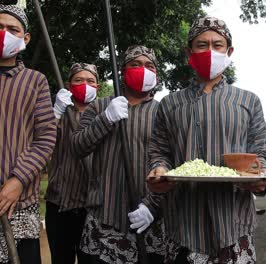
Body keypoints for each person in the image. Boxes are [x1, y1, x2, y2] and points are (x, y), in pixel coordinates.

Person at [147, 16, 266, 263]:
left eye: (217, 45)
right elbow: (159, 151)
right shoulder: (171, 104)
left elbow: (259, 153)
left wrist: (259, 177)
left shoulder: (248, 101)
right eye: (202, 45)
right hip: (184, 224)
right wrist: (159, 170)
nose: (210, 51)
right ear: (189, 52)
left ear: (229, 51)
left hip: (233, 223)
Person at [70, 45, 165, 264]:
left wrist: (152, 205)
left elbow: (174, 164)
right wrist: (106, 119)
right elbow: (77, 147)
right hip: (104, 219)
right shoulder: (99, 106)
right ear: (122, 70)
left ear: (156, 74)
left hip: (148, 219)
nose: (143, 69)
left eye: (149, 66)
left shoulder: (164, 112)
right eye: (135, 64)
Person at [0, 3, 56, 263]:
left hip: (19, 202)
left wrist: (17, 181)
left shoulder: (36, 81)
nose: (4, 33)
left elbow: (45, 138)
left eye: (12, 29)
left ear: (26, 37)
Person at [45, 63, 99, 264]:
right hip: (59, 203)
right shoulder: (59, 111)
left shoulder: (104, 112)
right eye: (78, 80)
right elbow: (42, 143)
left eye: (90, 81)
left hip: (92, 206)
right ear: (68, 85)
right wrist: (55, 113)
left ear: (97, 86)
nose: (84, 84)